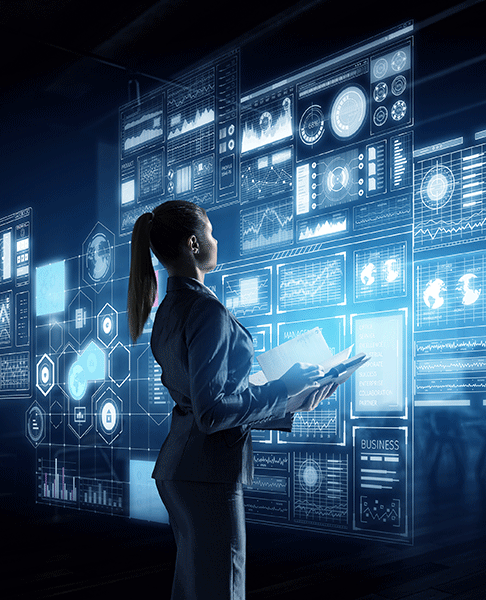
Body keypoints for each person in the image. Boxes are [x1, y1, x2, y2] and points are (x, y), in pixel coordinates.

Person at [127, 200, 335, 599]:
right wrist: (282, 388)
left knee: (194, 589)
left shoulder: (170, 309)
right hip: (208, 474)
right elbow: (212, 413)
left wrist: (288, 403)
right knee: (221, 589)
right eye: (210, 232)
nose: (216, 239)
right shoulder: (205, 310)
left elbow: (206, 403)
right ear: (193, 243)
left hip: (181, 470)